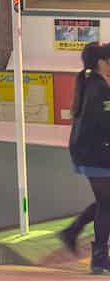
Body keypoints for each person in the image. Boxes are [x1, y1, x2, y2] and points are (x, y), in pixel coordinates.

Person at [63, 42, 110, 272]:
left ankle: (73, 232)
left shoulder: (92, 83)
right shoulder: (98, 89)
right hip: (95, 154)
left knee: (106, 202)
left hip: (90, 152)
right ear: (102, 62)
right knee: (107, 204)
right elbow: (105, 124)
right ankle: (98, 256)